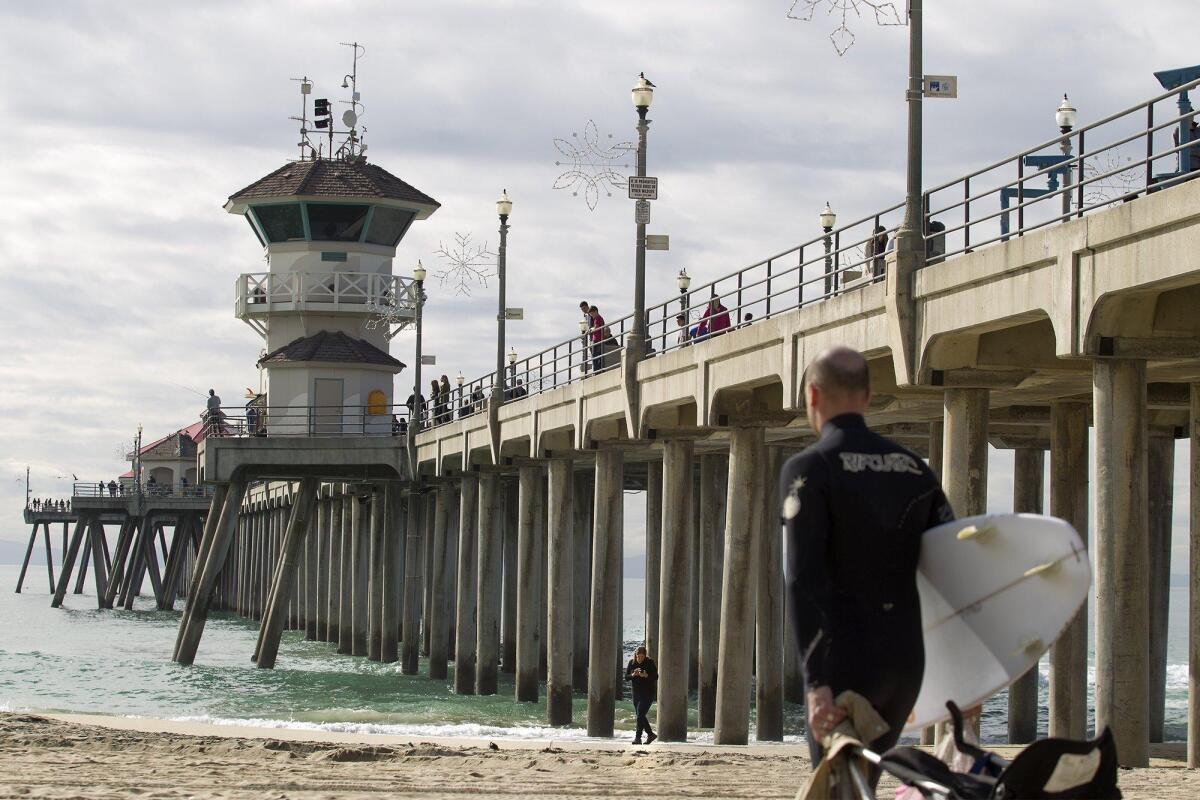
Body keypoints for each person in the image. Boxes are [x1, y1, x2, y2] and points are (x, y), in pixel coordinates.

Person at [781, 346, 953, 780]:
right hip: (904, 666)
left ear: (813, 396)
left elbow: (803, 578)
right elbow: (952, 565)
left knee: (838, 787)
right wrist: (964, 677)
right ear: (869, 397)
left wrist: (816, 682)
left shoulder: (810, 469)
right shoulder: (916, 470)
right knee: (863, 784)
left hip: (845, 663)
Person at [624, 645, 659, 745]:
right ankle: (650, 735)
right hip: (636, 694)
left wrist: (646, 675)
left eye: (642, 657)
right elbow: (626, 677)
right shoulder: (632, 662)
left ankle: (638, 738)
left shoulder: (649, 662)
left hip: (648, 693)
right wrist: (633, 675)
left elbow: (656, 676)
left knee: (640, 715)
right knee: (640, 716)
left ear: (645, 656)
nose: (640, 658)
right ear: (635, 655)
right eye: (638, 656)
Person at [588, 305, 607, 373]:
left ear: (595, 311)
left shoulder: (598, 318)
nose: (592, 316)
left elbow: (596, 327)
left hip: (597, 340)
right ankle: (597, 371)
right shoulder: (598, 318)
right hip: (598, 339)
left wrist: (590, 330)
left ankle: (596, 372)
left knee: (595, 357)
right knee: (597, 357)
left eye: (592, 314)